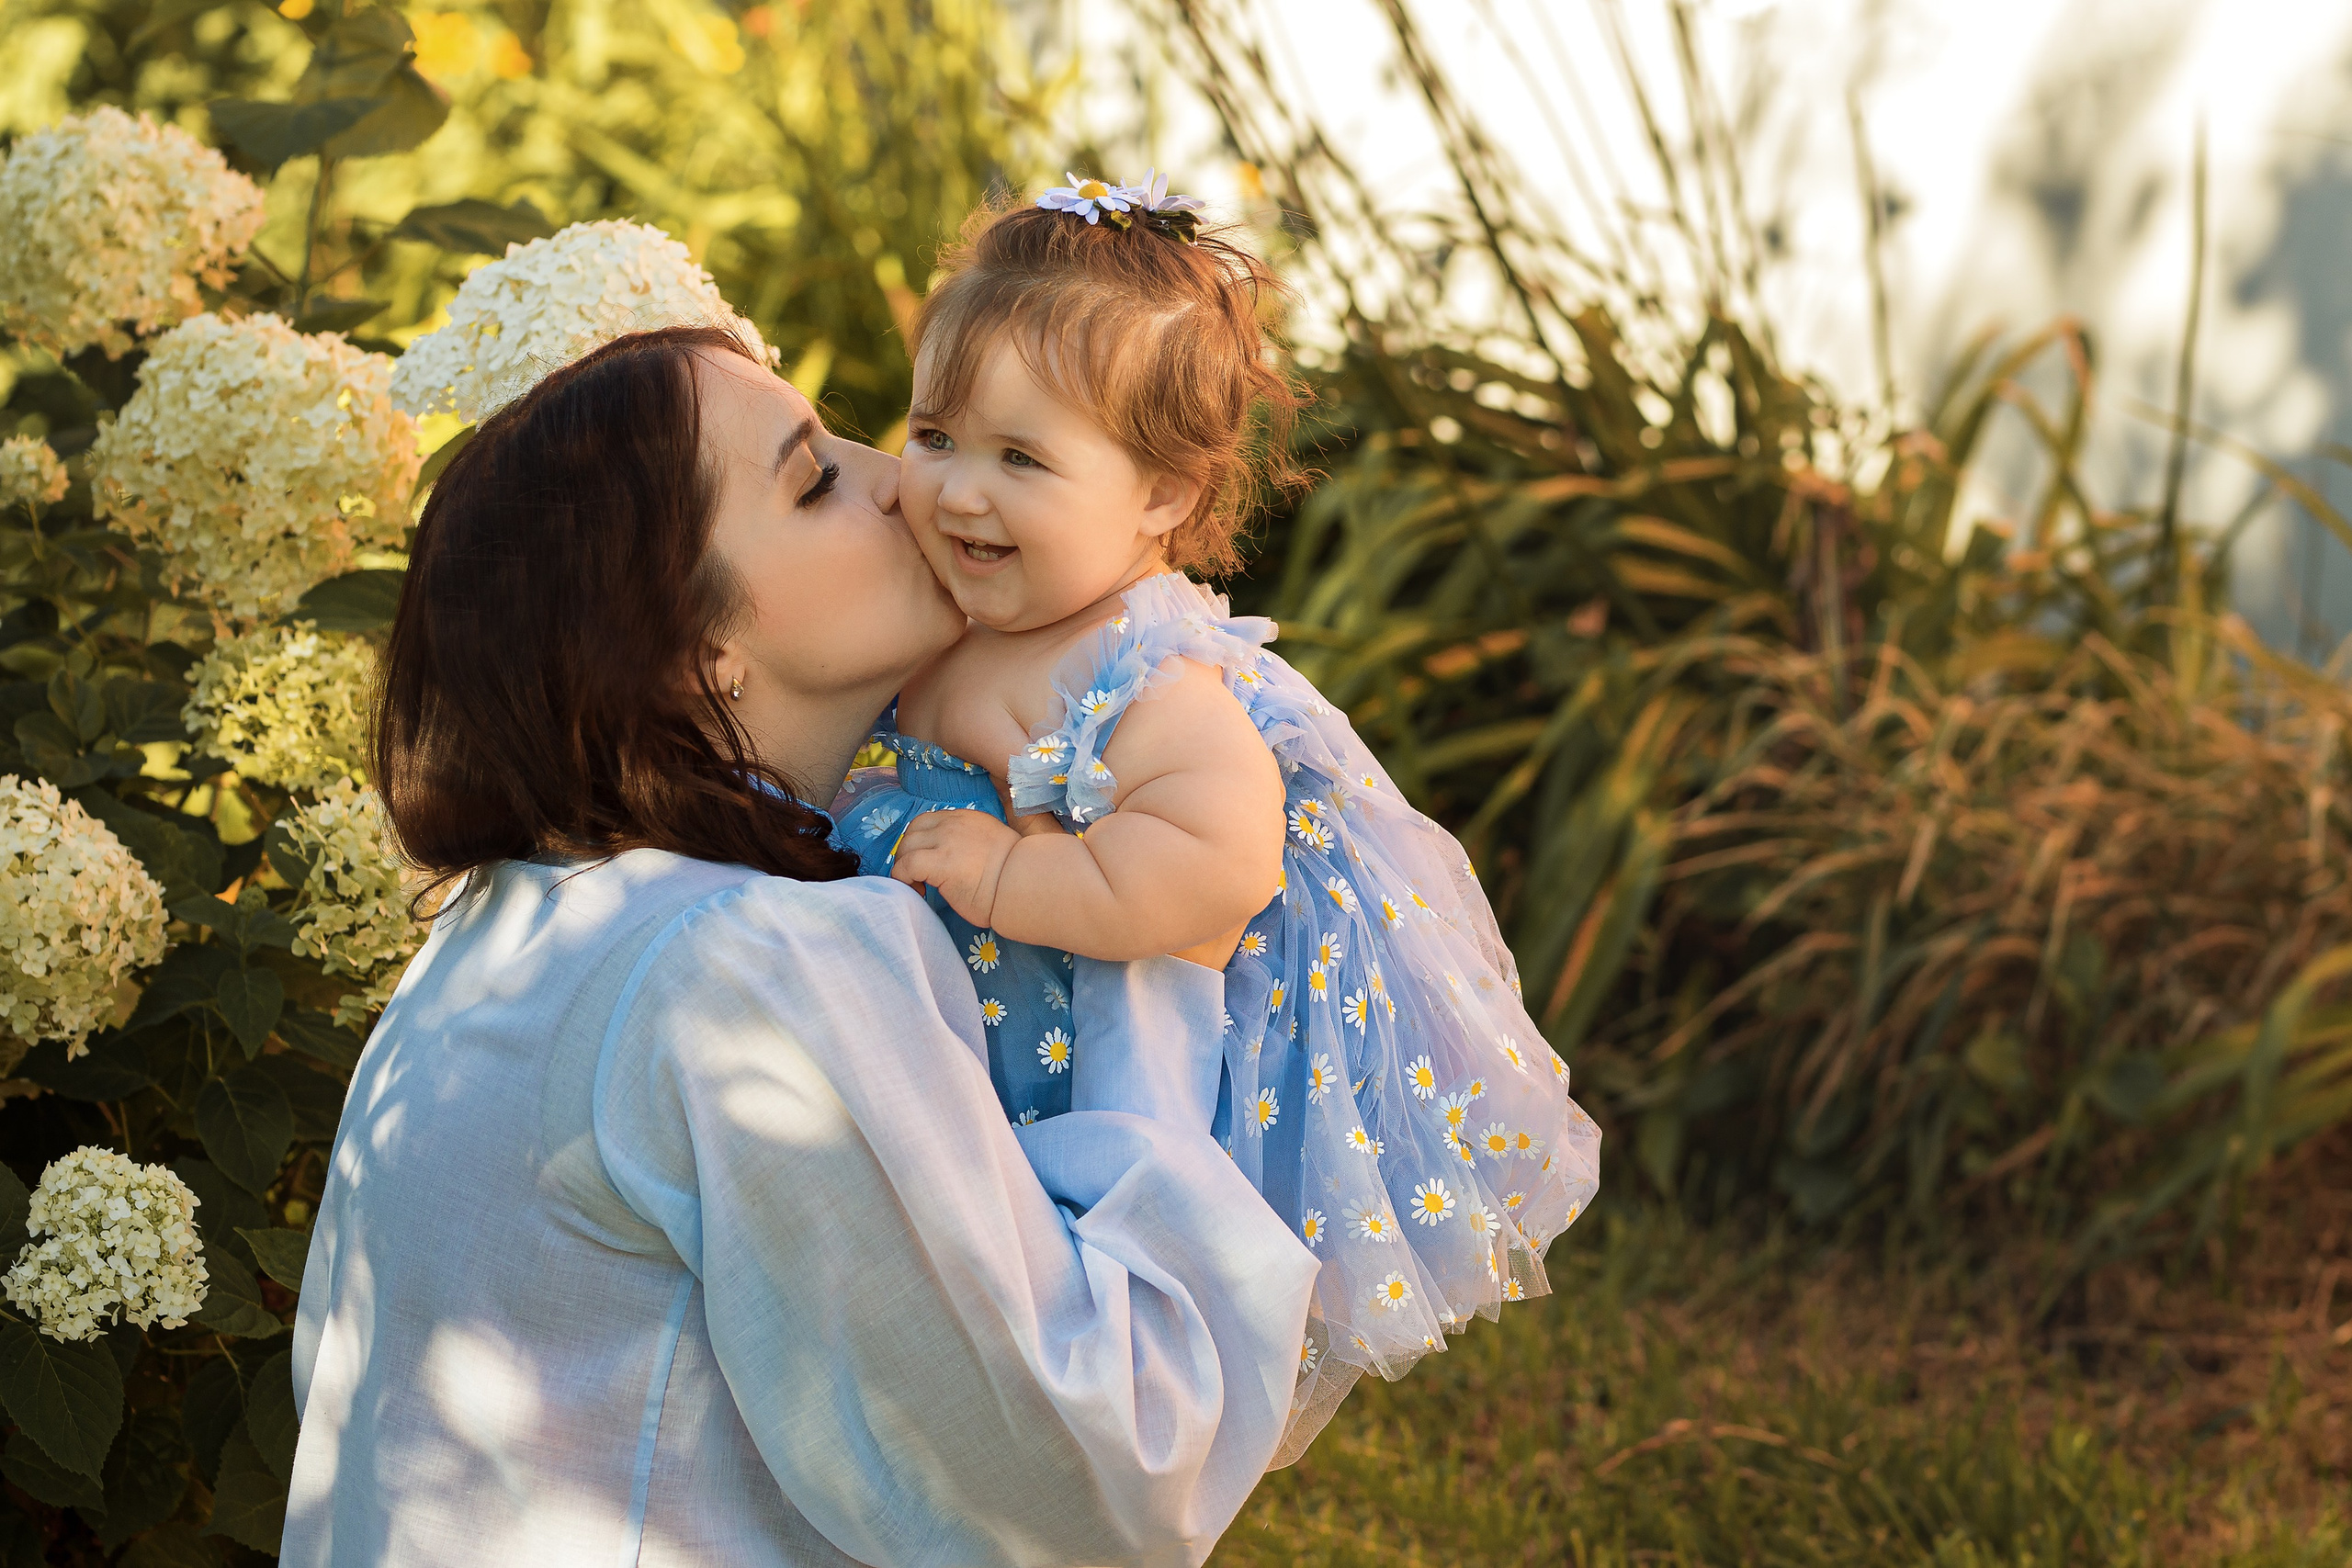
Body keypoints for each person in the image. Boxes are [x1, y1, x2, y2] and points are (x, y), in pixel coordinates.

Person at [283, 323, 1321, 1568]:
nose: (904, 476)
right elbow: (1093, 1482)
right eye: (816, 481)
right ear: (695, 658)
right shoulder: (745, 968)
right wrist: (1161, 974)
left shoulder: (511, 920)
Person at [830, 175, 1600, 1397]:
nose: (958, 490)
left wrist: (1016, 873)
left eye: (1021, 456)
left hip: (1083, 1062)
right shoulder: (958, 590)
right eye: (934, 437)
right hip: (940, 1040)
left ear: (1164, 494)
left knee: (1046, 1331)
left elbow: (1216, 865)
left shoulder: (1137, 673)